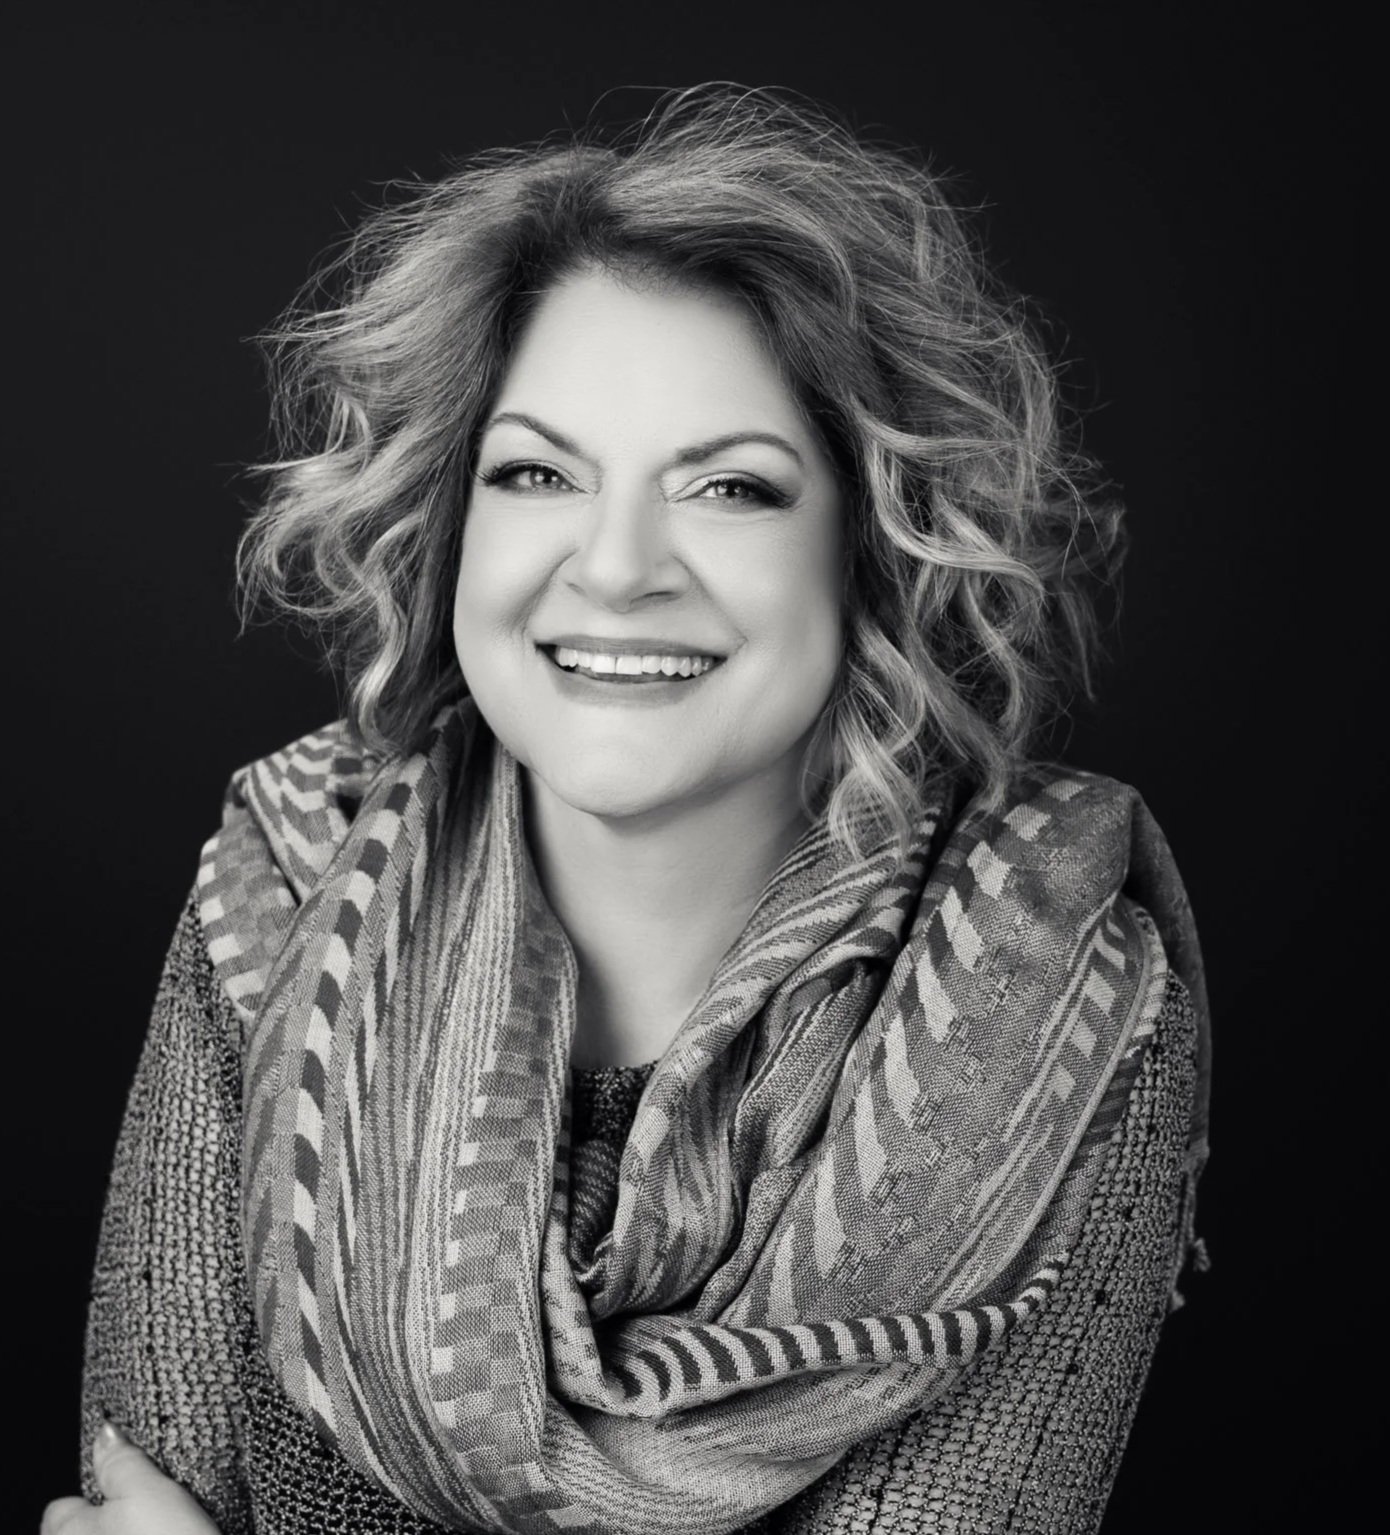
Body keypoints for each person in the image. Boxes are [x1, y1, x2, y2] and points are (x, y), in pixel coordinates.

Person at [43, 84, 1210, 1535]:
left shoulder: (1059, 1003)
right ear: (451, 521)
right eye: (537, 473)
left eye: (729, 489)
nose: (613, 566)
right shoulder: (285, 886)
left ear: (873, 548)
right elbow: (139, 1493)